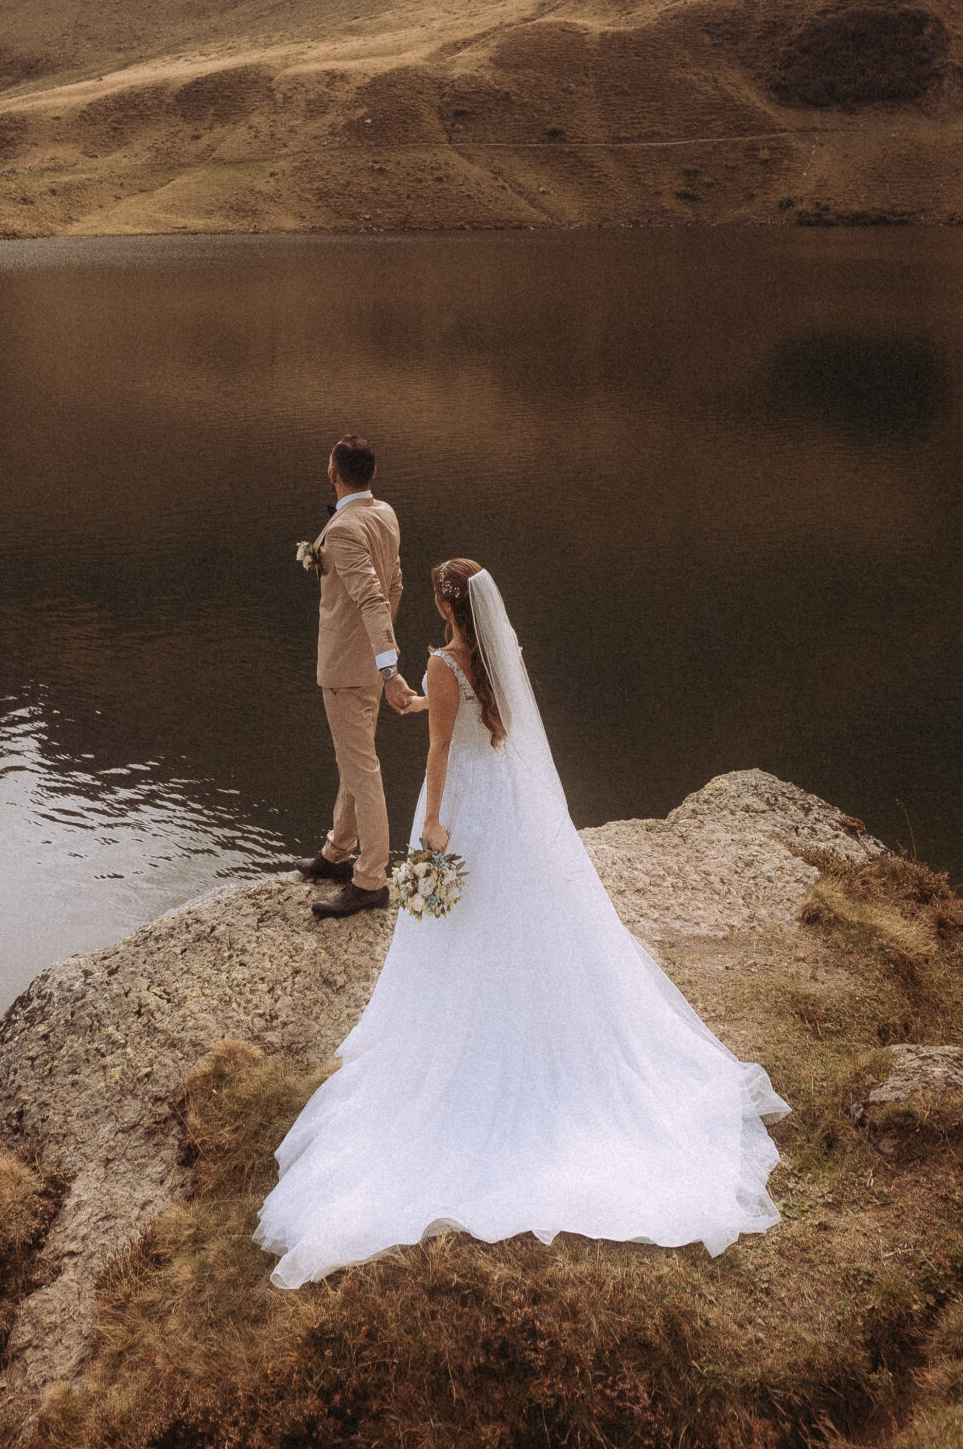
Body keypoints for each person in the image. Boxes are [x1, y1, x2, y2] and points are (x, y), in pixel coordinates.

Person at [259, 557, 788, 1284]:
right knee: (516, 924)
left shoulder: (443, 662)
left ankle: (461, 1029)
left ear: (447, 607)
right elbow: (476, 723)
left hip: (464, 808)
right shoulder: (494, 659)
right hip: (505, 802)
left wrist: (436, 824)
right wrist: (418, 706)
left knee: (449, 923)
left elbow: (444, 750)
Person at [293, 435, 426, 921]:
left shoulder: (346, 527)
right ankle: (337, 851)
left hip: (352, 668)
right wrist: (380, 654)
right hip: (367, 662)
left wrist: (387, 669)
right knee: (354, 758)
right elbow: (394, 586)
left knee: (361, 768)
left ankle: (370, 879)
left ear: (334, 472)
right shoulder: (385, 513)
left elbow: (372, 597)